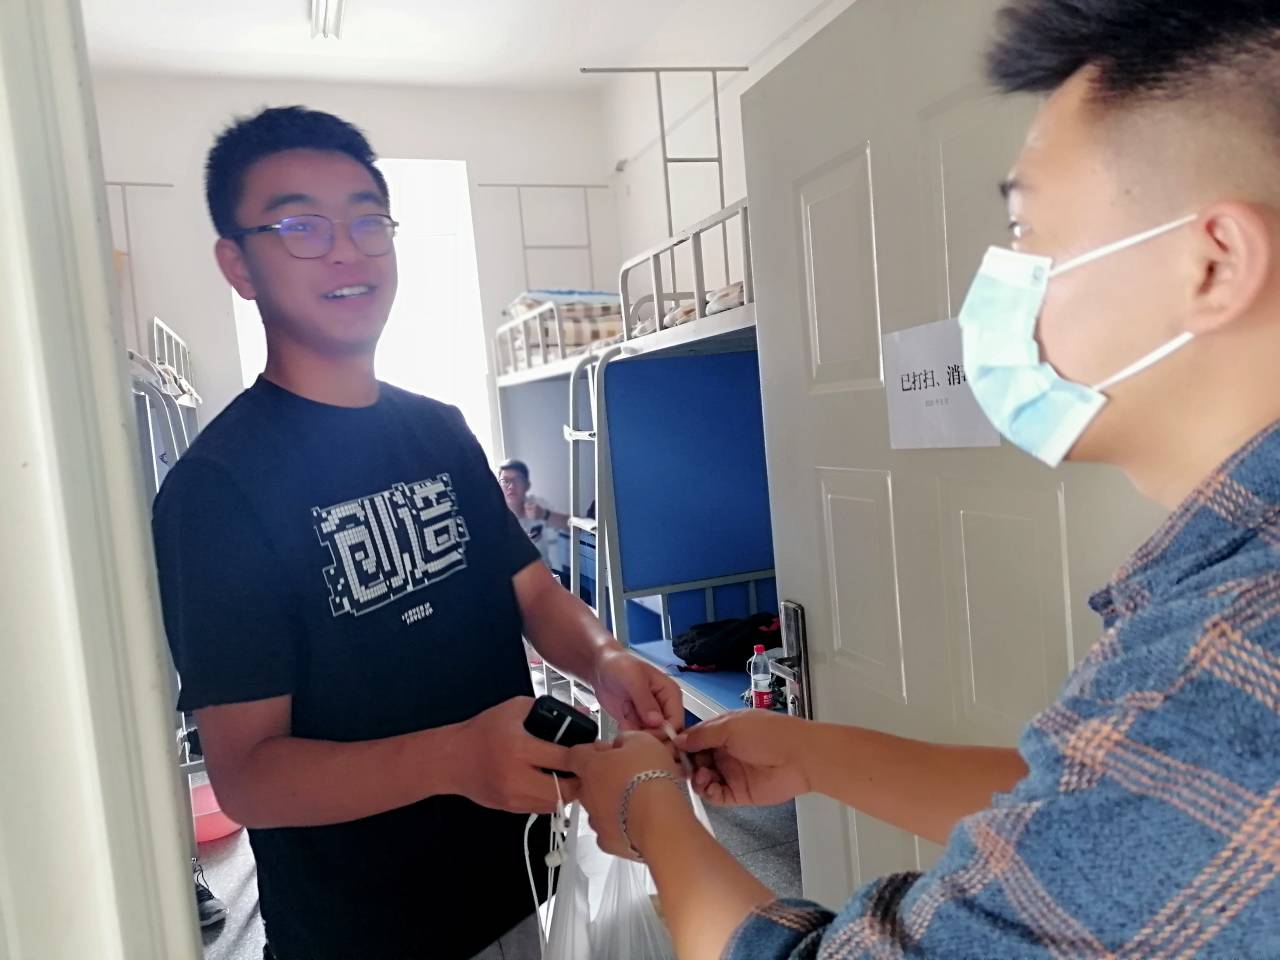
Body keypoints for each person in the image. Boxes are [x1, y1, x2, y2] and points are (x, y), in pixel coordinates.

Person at [569, 1, 1280, 956]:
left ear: (1214, 264)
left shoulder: (1235, 663)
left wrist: (650, 809)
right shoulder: (1218, 620)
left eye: (1028, 233)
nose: (999, 288)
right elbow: (1113, 815)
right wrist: (820, 754)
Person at [150, 105, 683, 960]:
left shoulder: (440, 431)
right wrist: (457, 758)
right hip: (360, 928)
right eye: (301, 227)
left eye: (368, 221)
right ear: (237, 264)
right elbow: (247, 777)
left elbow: (531, 590)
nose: (347, 250)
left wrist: (606, 657)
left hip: (518, 875)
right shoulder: (216, 491)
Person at [497, 458, 570, 569]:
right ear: (498, 485)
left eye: (517, 480)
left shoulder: (538, 503)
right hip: (513, 576)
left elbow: (570, 525)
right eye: (505, 481)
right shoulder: (493, 514)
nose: (511, 486)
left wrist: (544, 514)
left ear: (527, 485)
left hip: (544, 572)